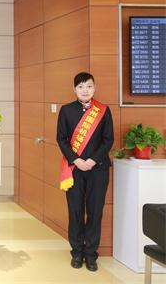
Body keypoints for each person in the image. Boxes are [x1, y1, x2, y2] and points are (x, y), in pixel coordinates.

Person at [56, 72, 114, 272]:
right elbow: (61, 139)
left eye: (89, 86)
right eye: (81, 86)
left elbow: (108, 139)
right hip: (74, 169)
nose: (85, 90)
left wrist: (92, 160)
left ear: (94, 88)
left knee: (95, 211)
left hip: (98, 169)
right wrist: (77, 160)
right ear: (75, 89)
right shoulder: (66, 110)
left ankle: (91, 254)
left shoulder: (103, 111)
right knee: (75, 211)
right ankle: (77, 252)